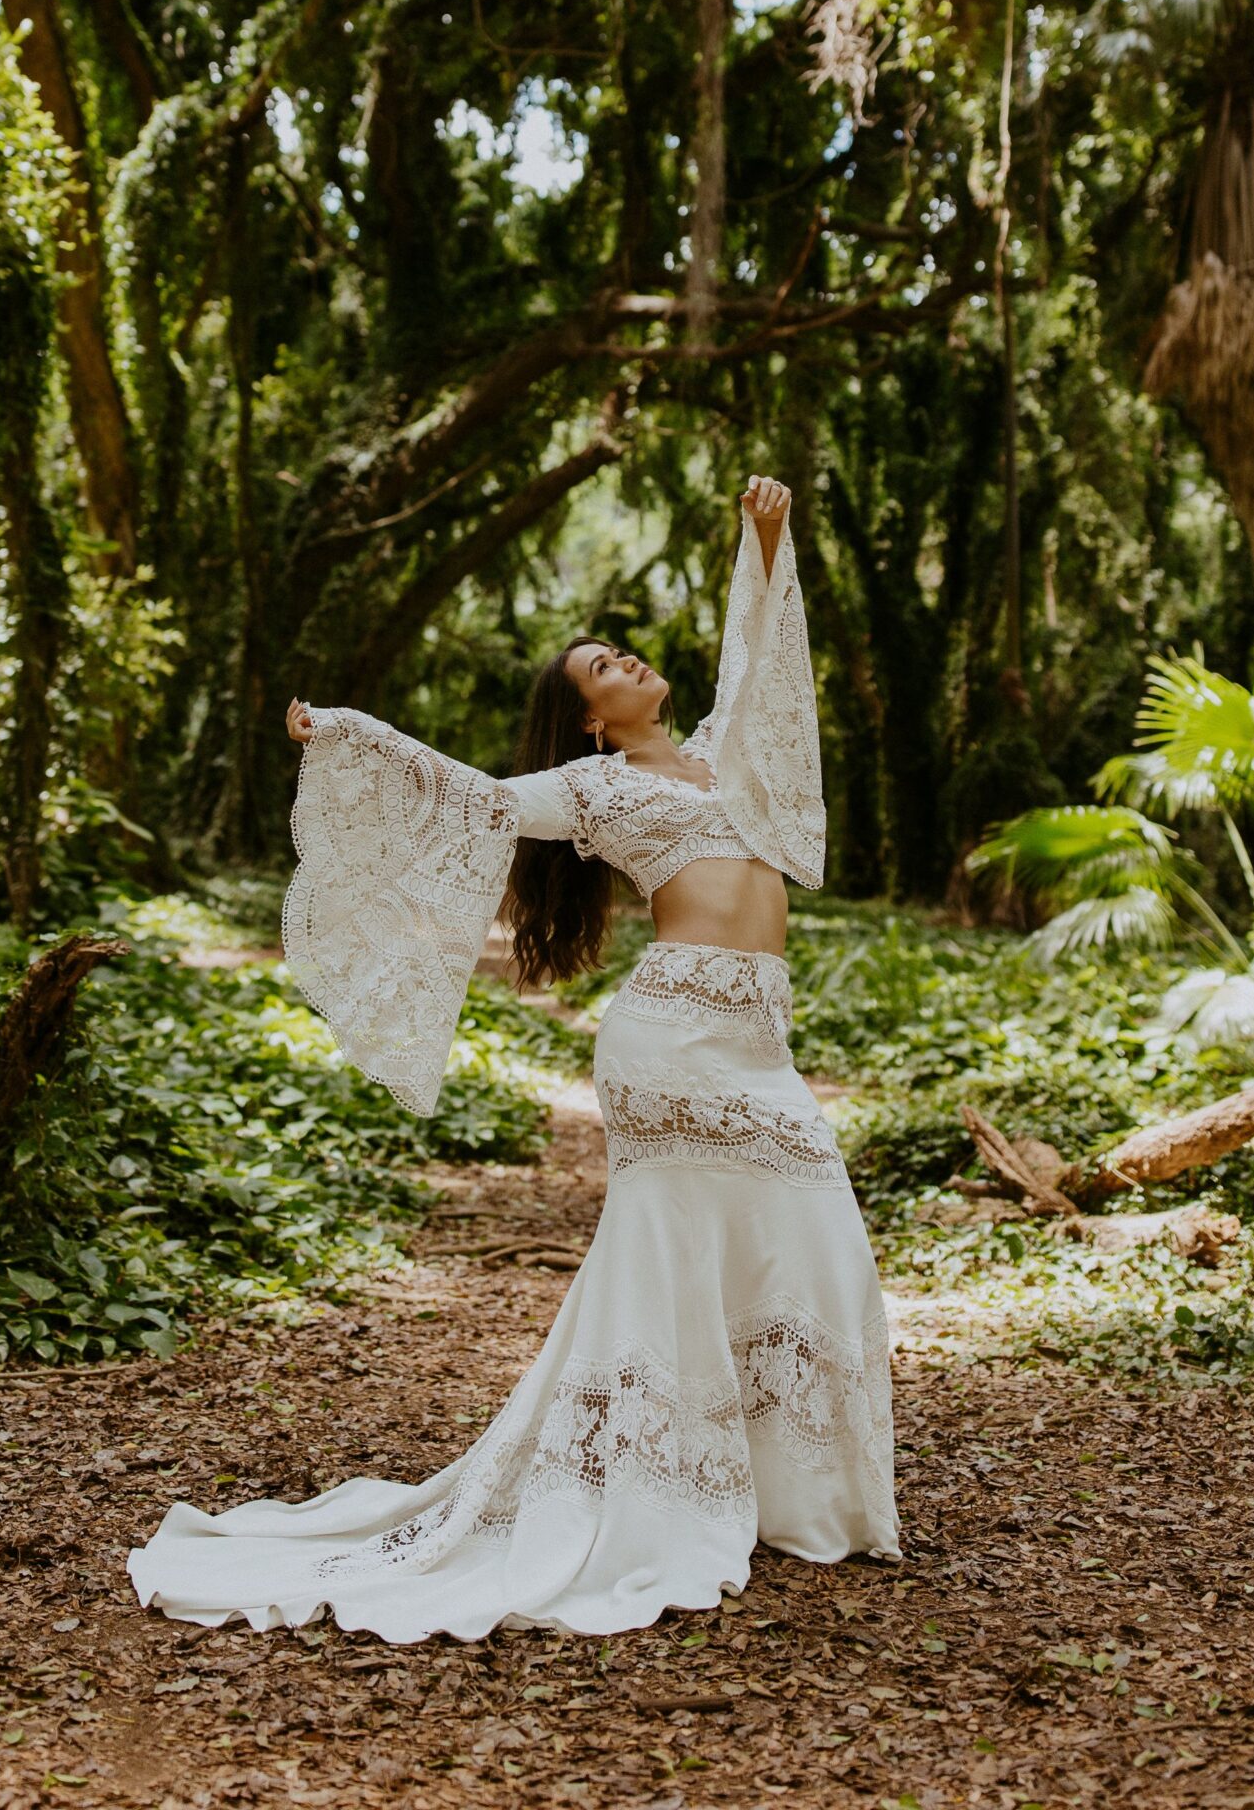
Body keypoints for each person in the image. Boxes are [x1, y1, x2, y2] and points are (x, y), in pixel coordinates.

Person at [128, 475, 898, 1643]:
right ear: (590, 719)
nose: (630, 664)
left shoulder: (726, 759)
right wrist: (348, 732)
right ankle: (646, 1488)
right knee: (673, 1265)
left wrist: (768, 533)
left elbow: (765, 668)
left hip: (756, 1037)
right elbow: (468, 793)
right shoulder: (590, 787)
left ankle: (801, 1498)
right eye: (604, 669)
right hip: (673, 1036)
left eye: (625, 653)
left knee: (812, 1240)